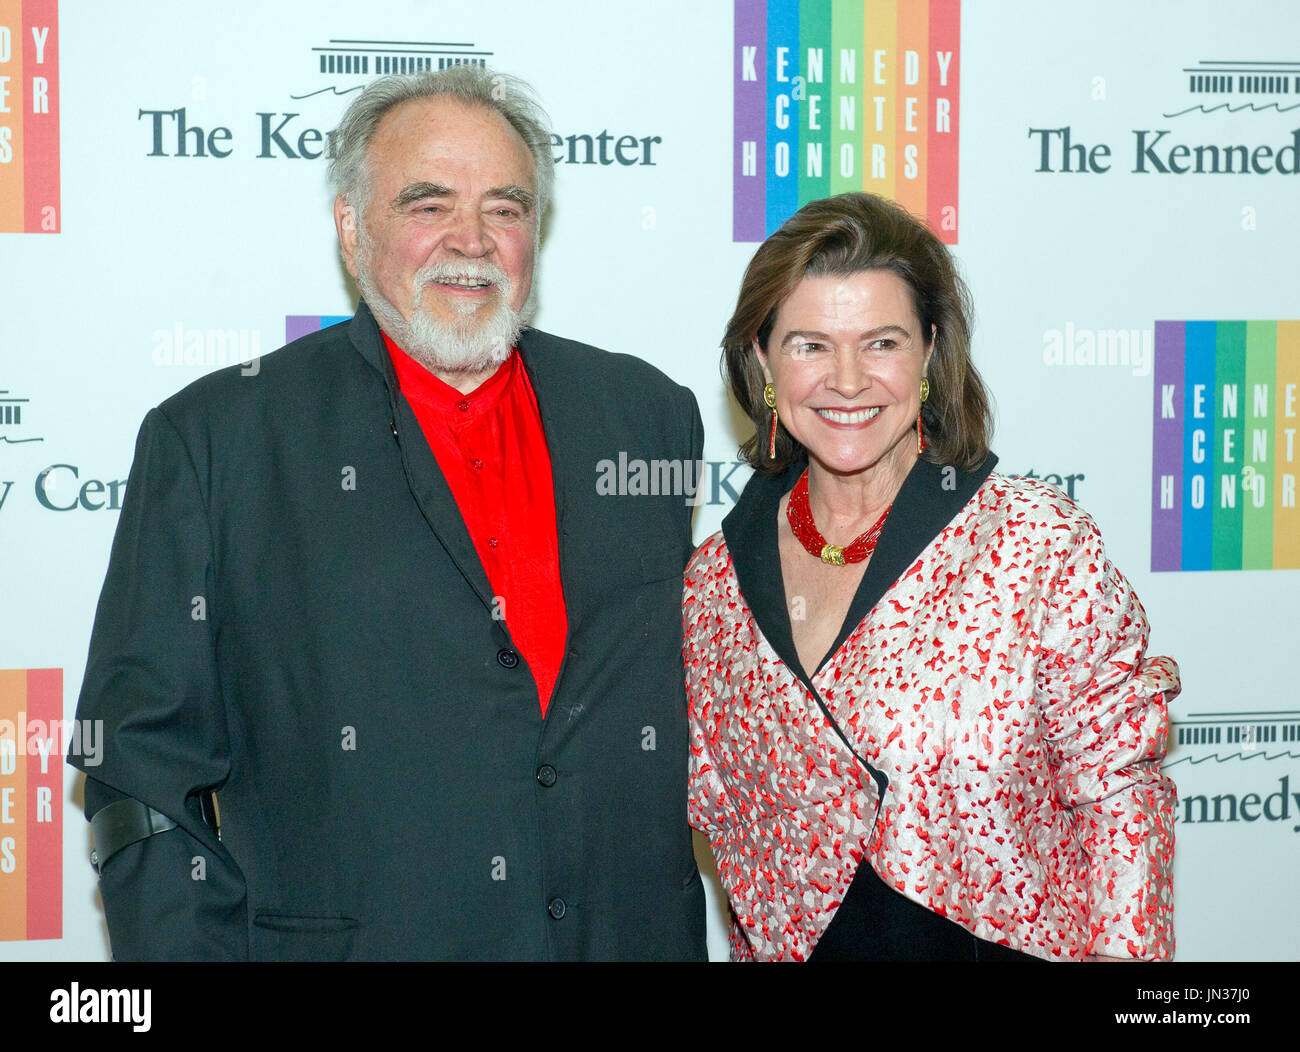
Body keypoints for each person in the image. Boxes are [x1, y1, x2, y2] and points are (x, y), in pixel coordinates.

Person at [70, 67, 707, 961]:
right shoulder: (217, 439)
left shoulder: (645, 415)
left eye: (505, 208)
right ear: (350, 227)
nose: (472, 241)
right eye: (428, 204)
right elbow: (139, 773)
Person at [685, 192, 1178, 962]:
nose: (848, 380)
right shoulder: (714, 586)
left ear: (929, 352)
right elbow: (742, 851)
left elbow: (1119, 792)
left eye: (881, 342)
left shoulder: (1034, 543)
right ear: (762, 360)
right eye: (810, 345)